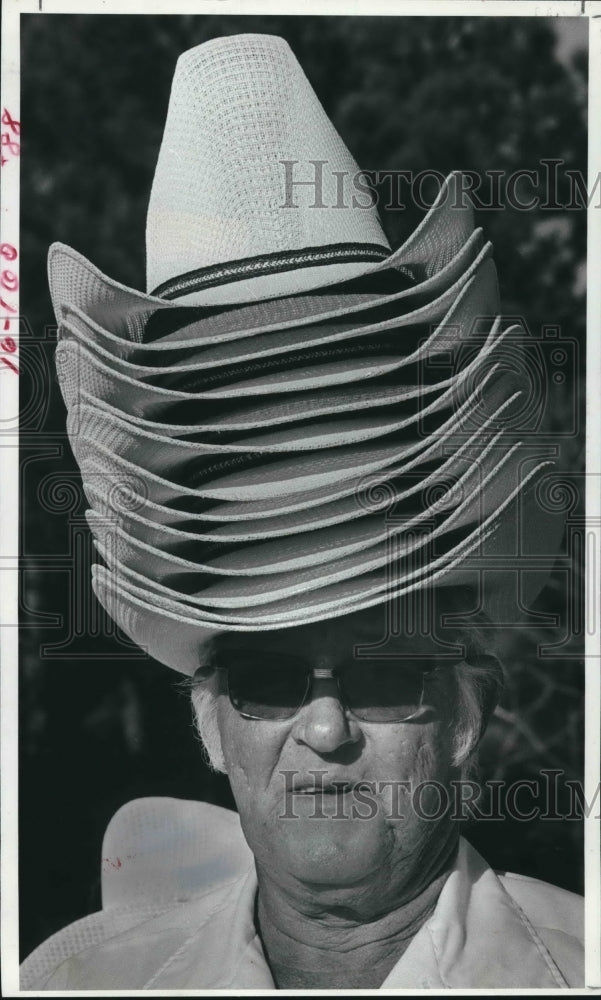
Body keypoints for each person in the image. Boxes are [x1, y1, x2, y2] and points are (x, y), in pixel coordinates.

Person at [21, 33, 582, 990]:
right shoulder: (70, 981)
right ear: (209, 729)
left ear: (464, 711)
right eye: (269, 678)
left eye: (385, 670)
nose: (324, 729)